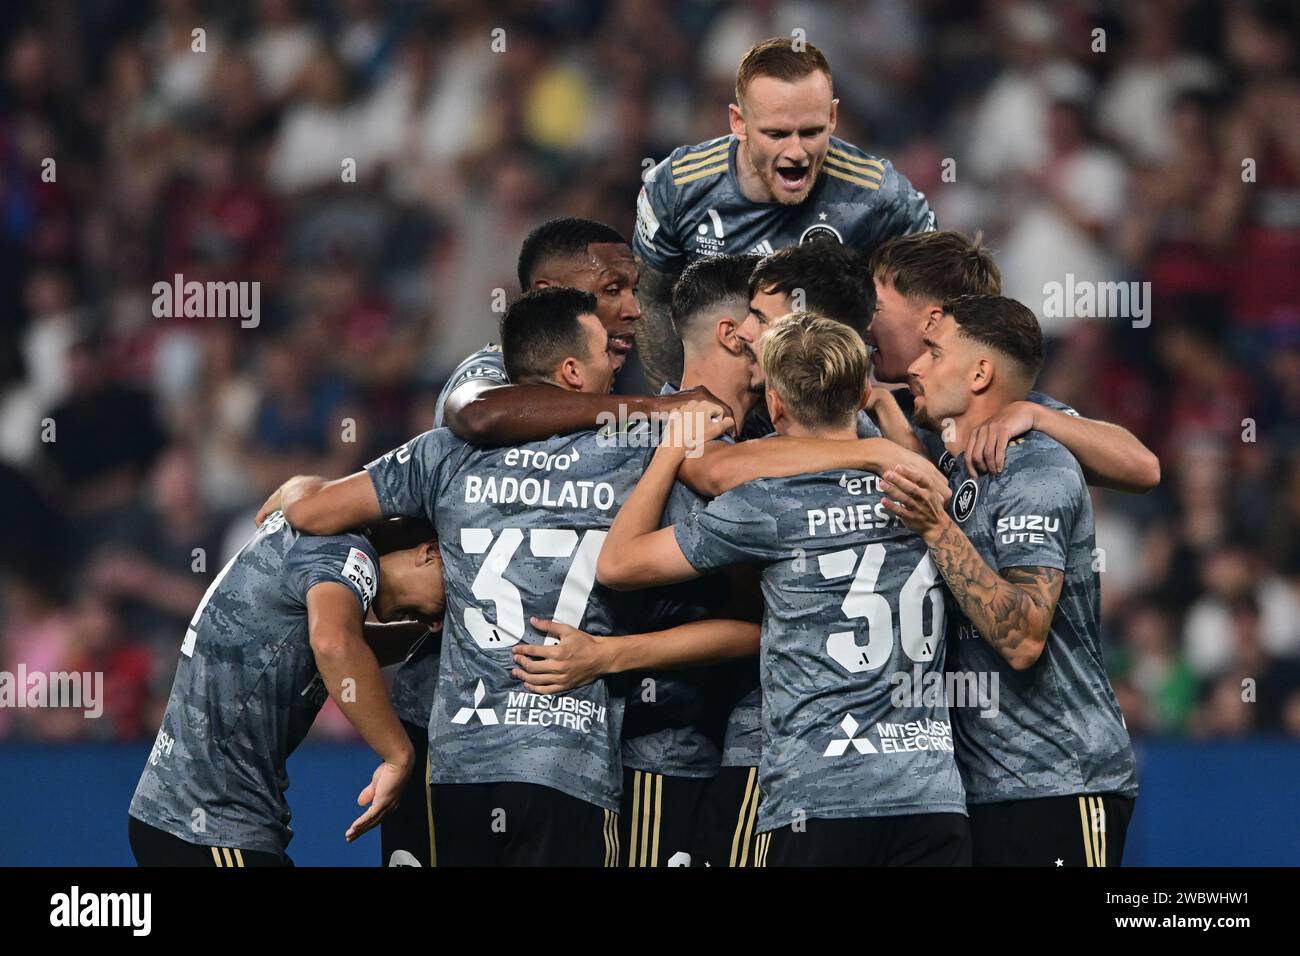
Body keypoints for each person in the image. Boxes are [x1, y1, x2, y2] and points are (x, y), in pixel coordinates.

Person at [257, 288, 756, 865]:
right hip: (566, 768)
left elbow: (312, 515)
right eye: (604, 352)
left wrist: (301, 489)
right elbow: (738, 575)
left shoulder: (443, 454)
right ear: (572, 372)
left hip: (460, 769)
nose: (618, 364)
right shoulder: (636, 457)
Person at [598, 314, 971, 866]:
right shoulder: (929, 491)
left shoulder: (767, 506)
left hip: (818, 797)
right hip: (931, 796)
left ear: (775, 404)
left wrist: (668, 453)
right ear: (861, 393)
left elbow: (618, 564)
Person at [880, 295, 1139, 866]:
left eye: (933, 351)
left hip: (1057, 781)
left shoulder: (1035, 467)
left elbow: (1023, 639)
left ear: (980, 372)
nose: (915, 367)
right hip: (975, 789)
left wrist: (935, 527)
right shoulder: (950, 457)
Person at [127, 512, 444, 867]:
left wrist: (436, 638)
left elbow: (321, 646)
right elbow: (333, 646)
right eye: (447, 601)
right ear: (429, 552)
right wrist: (398, 755)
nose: (435, 620)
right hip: (210, 826)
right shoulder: (351, 552)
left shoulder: (312, 533)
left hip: (178, 816)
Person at [634, 36, 936, 391]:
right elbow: (653, 302)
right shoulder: (676, 188)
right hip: (718, 409)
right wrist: (676, 400)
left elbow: (940, 302)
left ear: (833, 117)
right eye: (776, 134)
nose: (796, 152)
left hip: (831, 409)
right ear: (738, 122)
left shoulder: (881, 196)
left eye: (810, 132)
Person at [867, 230, 1160, 492]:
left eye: (877, 308)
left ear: (932, 321)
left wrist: (1036, 416)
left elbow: (1143, 468)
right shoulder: (872, 407)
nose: (866, 324)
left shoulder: (1005, 412)